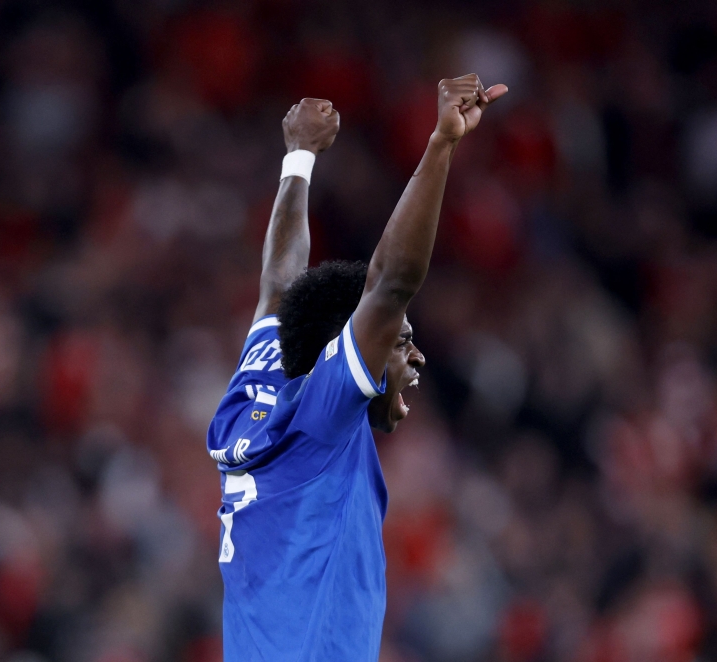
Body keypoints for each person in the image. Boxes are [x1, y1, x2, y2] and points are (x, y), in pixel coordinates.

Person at [206, 74, 508, 661]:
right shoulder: (320, 418)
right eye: (402, 343)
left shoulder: (257, 386)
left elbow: (279, 285)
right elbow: (391, 284)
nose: (417, 356)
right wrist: (441, 144)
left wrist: (298, 159)